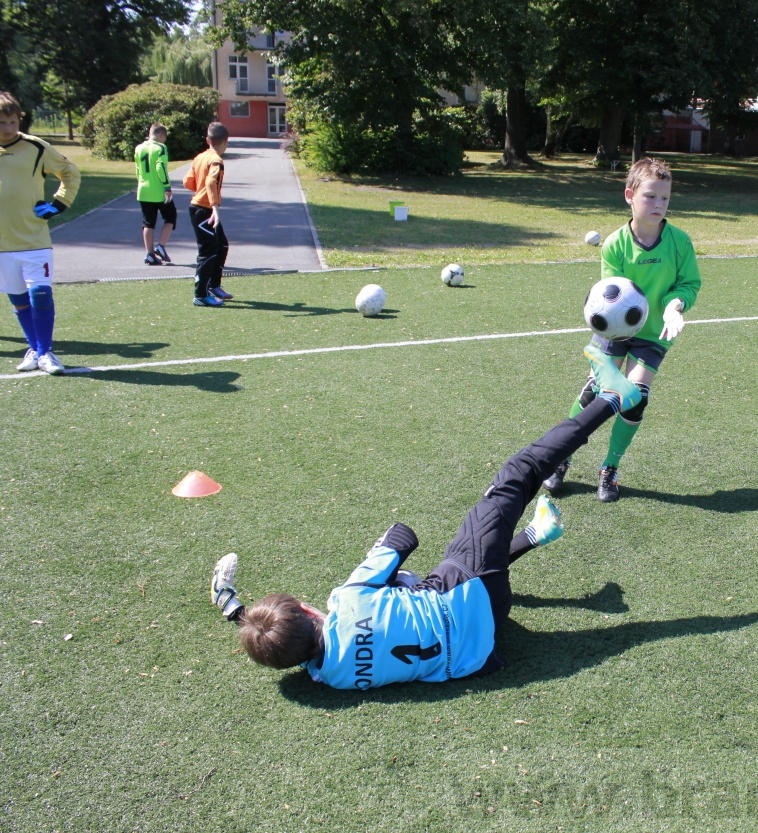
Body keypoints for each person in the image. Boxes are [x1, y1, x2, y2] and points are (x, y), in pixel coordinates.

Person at [210, 343, 642, 688]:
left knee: (426, 585)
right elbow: (402, 537)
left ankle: (534, 533)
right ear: (307, 610)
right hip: (470, 590)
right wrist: (373, 567)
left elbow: (283, 644)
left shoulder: (330, 679)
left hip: (481, 647)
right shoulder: (348, 599)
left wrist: (235, 608)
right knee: (518, 474)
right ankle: (611, 398)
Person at [544, 157, 702, 502]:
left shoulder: (679, 242)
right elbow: (610, 295)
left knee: (635, 399)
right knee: (593, 395)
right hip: (613, 332)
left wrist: (676, 305)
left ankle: (610, 468)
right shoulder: (615, 243)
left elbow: (688, 284)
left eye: (665, 198)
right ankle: (561, 456)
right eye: (651, 196)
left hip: (653, 334)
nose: (659, 204)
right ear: (630, 195)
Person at [0, 91, 80, 375]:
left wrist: (58, 205)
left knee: (41, 295)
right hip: (2, 246)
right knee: (19, 300)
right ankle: (34, 349)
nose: (8, 128)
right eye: (1, 122)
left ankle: (46, 353)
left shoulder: (36, 147)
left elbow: (70, 172)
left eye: (12, 121)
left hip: (34, 240)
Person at [182, 122, 232, 306]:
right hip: (204, 211)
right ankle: (200, 295)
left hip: (200, 208)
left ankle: (213, 285)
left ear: (207, 140)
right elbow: (211, 181)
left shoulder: (200, 157)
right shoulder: (216, 161)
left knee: (222, 245)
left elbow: (187, 181)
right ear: (226, 142)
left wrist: (200, 189)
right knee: (208, 251)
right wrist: (215, 207)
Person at [134, 124, 176, 266]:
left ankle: (149, 254)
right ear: (162, 136)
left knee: (148, 223)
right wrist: (167, 186)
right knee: (171, 217)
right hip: (158, 190)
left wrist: (141, 182)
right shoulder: (160, 148)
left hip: (143, 189)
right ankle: (161, 246)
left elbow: (138, 169)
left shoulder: (139, 148)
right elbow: (160, 167)